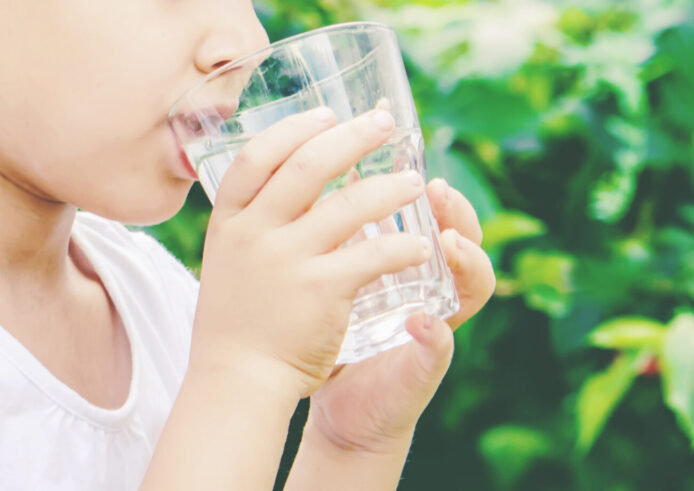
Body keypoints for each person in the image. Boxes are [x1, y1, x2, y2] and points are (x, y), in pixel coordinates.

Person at [0, 0, 496, 489]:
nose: (248, 43)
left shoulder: (162, 302)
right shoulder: (219, 345)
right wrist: (242, 370)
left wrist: (348, 444)